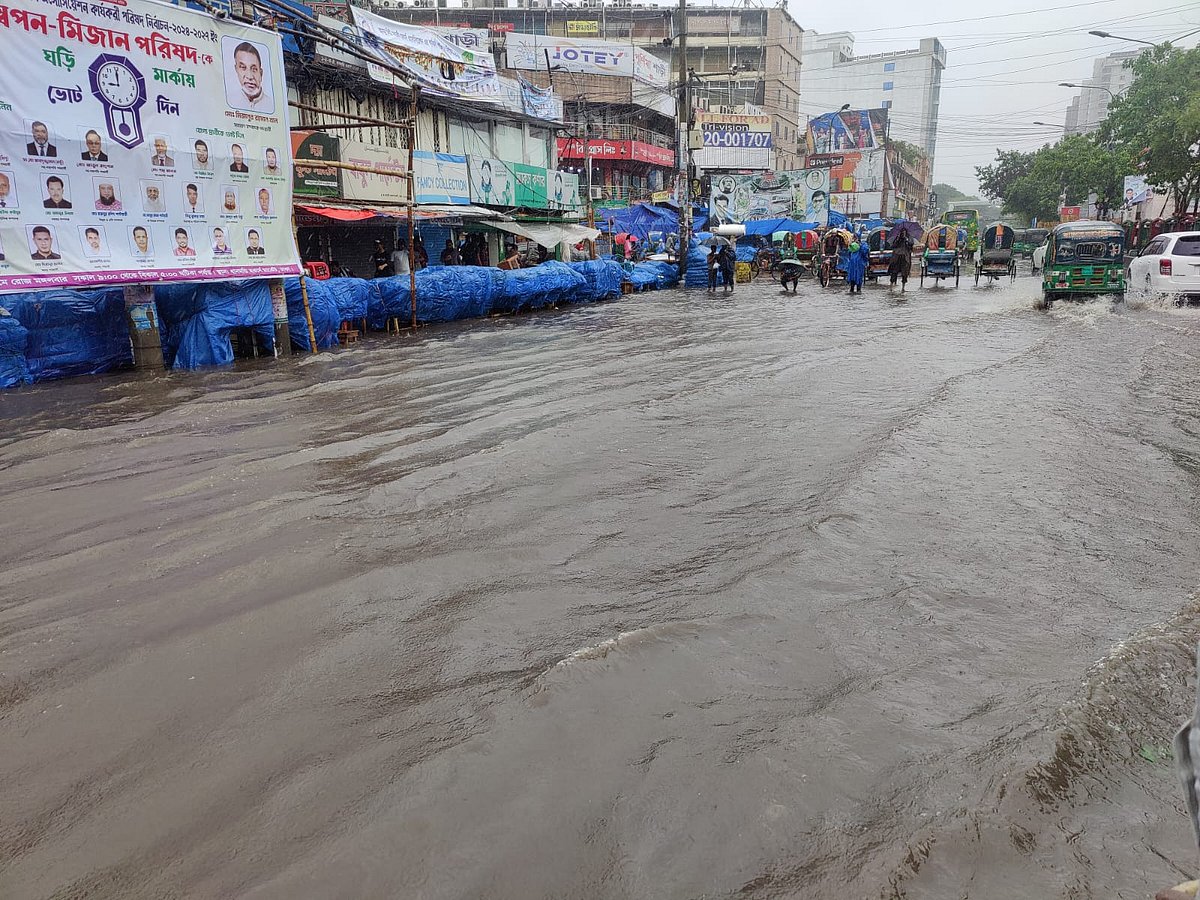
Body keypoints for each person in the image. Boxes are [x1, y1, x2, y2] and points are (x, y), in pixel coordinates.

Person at [230, 41, 270, 111]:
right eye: (243, 67)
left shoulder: (271, 105)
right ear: (236, 70)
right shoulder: (230, 101)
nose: (249, 77)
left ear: (261, 73)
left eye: (254, 69)